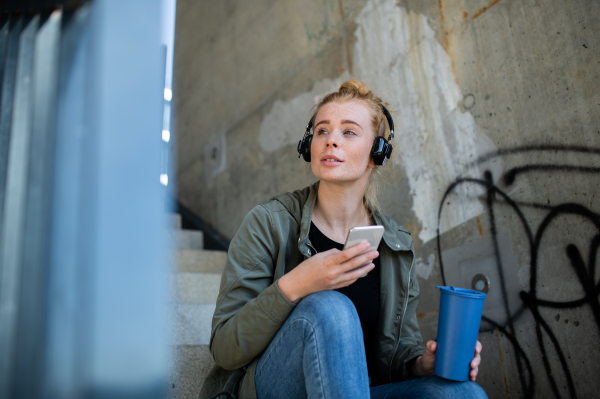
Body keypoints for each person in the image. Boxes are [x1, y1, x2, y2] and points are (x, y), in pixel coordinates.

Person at [199, 81, 487, 399]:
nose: (331, 140)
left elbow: (399, 357)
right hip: (272, 387)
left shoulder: (396, 243)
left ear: (377, 153)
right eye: (322, 131)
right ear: (308, 145)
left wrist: (422, 365)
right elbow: (225, 349)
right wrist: (295, 286)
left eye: (348, 132)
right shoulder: (269, 222)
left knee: (465, 393)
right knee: (331, 308)